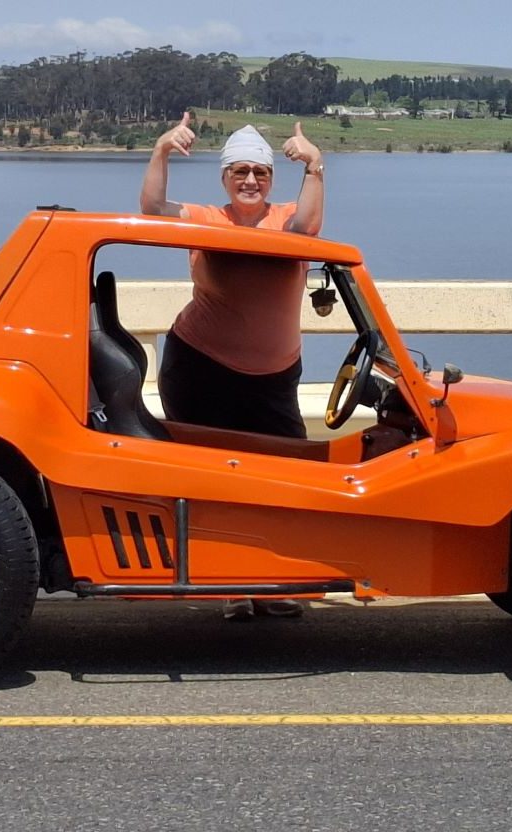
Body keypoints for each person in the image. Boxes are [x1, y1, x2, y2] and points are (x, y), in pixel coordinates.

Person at [139, 114, 325, 620]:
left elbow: (308, 227)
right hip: (202, 366)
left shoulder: (287, 217)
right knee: (212, 479)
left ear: (271, 179)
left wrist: (315, 165)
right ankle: (229, 584)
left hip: (273, 378)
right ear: (224, 177)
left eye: (259, 173)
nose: (249, 181)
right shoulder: (204, 218)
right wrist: (160, 149)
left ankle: (276, 582)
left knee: (283, 478)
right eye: (239, 171)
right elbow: (153, 209)